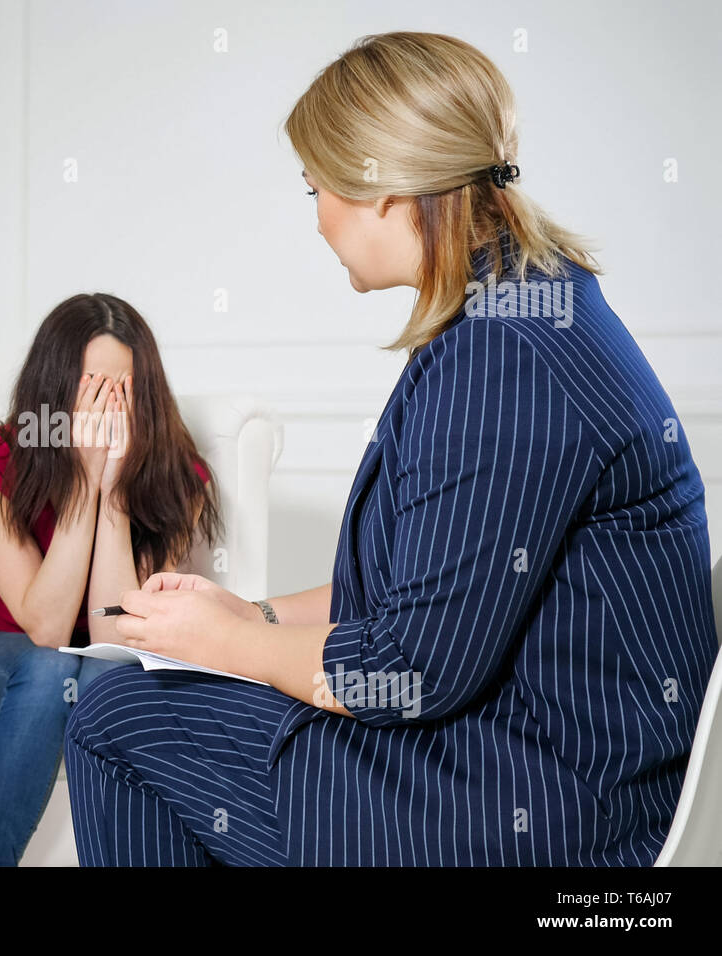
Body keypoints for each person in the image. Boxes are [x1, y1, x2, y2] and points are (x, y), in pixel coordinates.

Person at [65, 32, 719, 866]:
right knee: (158, 701)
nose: (317, 220)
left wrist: (225, 645)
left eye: (316, 189)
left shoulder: (508, 355)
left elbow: (411, 672)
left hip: (544, 813)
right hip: (528, 767)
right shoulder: (524, 311)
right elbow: (435, 583)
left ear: (380, 187)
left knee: (116, 718)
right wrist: (250, 615)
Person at [0, 292, 221, 865]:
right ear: (54, 386)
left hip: (97, 655)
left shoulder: (180, 478)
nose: (106, 405)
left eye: (121, 389)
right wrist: (80, 484)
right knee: (52, 666)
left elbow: (116, 635)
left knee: (108, 682)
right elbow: (46, 628)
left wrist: (113, 492)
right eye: (92, 386)